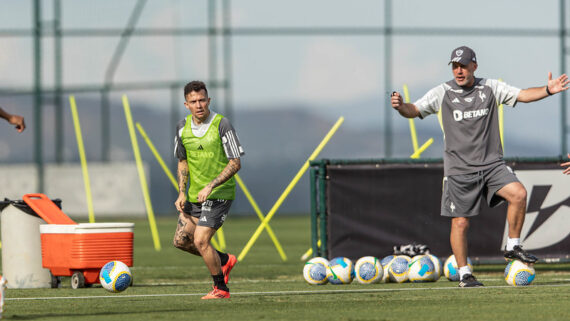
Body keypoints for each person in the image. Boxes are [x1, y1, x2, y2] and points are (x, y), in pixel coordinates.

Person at [391, 46, 569, 287]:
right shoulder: (442, 92)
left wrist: (548, 89)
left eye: (463, 65)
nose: (459, 70)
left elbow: (523, 95)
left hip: (492, 164)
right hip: (459, 169)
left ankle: (513, 246)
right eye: (455, 66)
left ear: (474, 66)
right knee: (460, 222)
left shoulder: (490, 88)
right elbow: (415, 110)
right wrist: (402, 106)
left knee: (519, 193)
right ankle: (465, 274)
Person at [173, 80, 244, 299]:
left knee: (201, 240)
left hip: (219, 194)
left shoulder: (222, 124)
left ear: (209, 100)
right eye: (193, 101)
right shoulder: (182, 128)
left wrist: (211, 185)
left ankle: (221, 289)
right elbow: (182, 161)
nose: (199, 105)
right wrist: (182, 191)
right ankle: (224, 260)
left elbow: (235, 163)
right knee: (182, 241)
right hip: (194, 195)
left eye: (202, 100)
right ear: (186, 105)